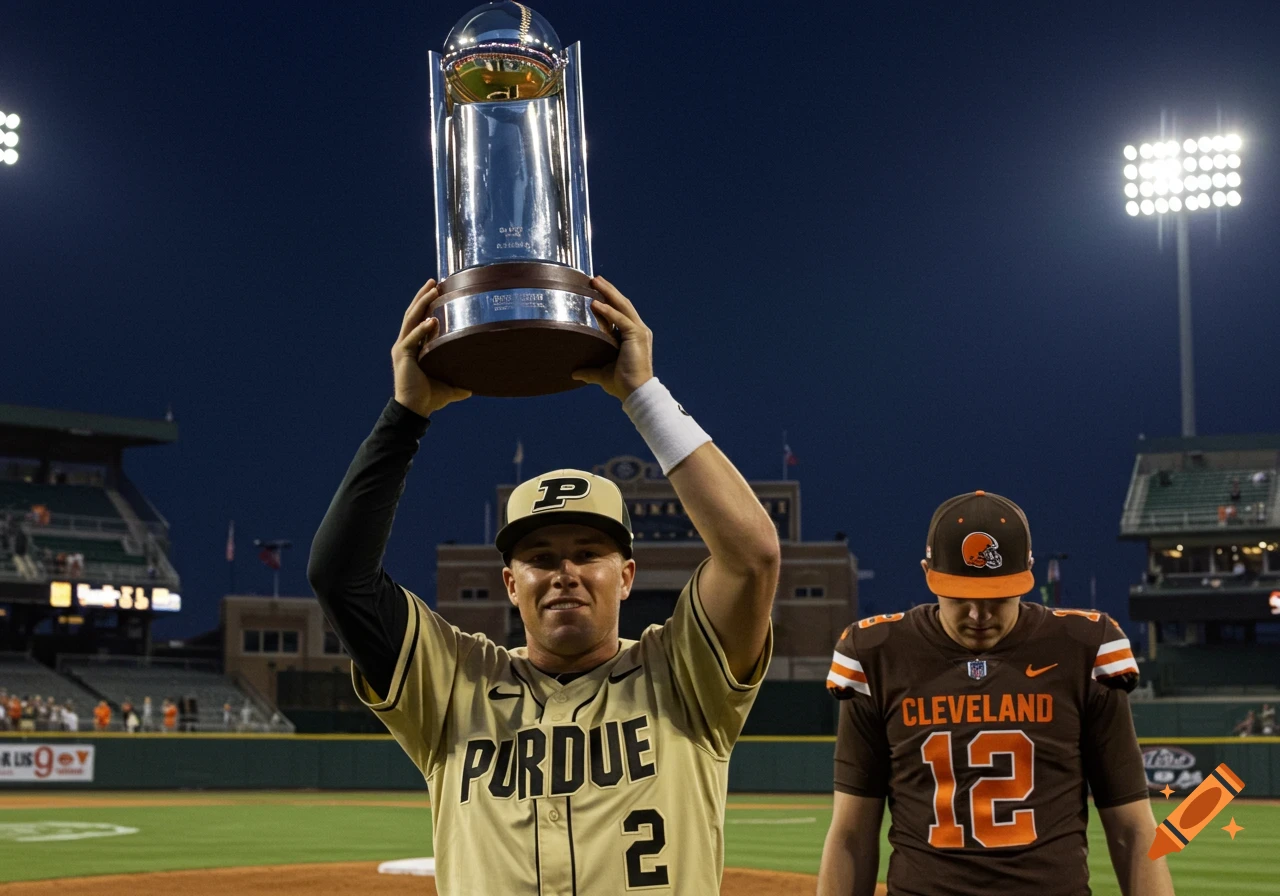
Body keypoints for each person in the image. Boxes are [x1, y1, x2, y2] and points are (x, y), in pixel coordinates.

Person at [308, 276, 780, 895]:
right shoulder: (453, 684)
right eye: (539, 557)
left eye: (589, 553)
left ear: (627, 575)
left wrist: (643, 394)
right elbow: (340, 577)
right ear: (510, 582)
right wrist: (405, 416)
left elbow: (753, 557)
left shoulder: (684, 675)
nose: (565, 573)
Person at [817, 491, 1174, 896]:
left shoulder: (1085, 647)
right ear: (926, 572)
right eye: (960, 595)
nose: (978, 614)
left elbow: (1132, 827)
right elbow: (851, 835)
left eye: (997, 597)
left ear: (1029, 572)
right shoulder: (876, 653)